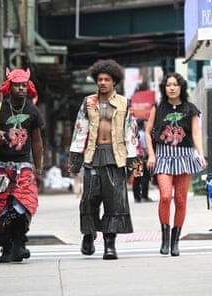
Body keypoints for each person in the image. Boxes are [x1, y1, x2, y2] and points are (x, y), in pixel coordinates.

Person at [68, 59, 138, 260]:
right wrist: (75, 158)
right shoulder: (88, 102)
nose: (102, 83)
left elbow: (131, 133)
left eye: (106, 79)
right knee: (89, 200)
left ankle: (109, 246)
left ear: (114, 81)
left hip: (116, 157)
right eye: (99, 79)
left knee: (114, 202)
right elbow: (79, 130)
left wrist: (134, 162)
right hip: (92, 155)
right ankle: (89, 234)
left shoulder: (125, 103)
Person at [0, 68, 44, 263]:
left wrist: (39, 169)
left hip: (24, 167)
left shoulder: (33, 111)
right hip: (2, 168)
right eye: (17, 85)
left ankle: (19, 244)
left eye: (24, 85)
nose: (21, 88)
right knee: (3, 208)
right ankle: (8, 248)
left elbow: (37, 142)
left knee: (23, 206)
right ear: (9, 87)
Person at [145, 72, 206, 256]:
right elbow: (147, 132)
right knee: (165, 196)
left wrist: (201, 155)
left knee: (180, 200)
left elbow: (196, 134)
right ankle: (164, 239)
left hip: (185, 156)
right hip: (163, 155)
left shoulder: (190, 109)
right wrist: (151, 154)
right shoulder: (158, 107)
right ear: (164, 88)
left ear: (181, 87)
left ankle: (175, 242)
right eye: (168, 84)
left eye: (175, 84)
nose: (171, 87)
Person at [132, 119, 152, 203]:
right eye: (145, 123)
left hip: (135, 158)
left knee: (136, 178)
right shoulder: (143, 134)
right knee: (145, 177)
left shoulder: (135, 134)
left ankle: (137, 197)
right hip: (142, 158)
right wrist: (150, 155)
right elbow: (145, 147)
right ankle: (144, 196)